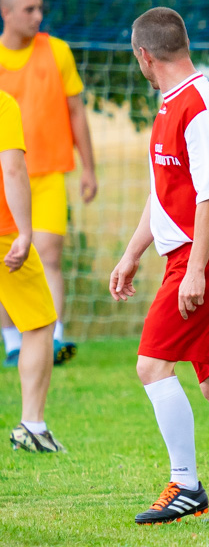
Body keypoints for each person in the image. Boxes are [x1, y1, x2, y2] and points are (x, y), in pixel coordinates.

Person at [110, 7, 209, 525]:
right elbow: (166, 193)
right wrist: (134, 252)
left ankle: (186, 485)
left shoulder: (198, 106)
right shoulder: (172, 103)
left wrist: (197, 269)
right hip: (195, 255)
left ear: (144, 55)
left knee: (152, 365)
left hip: (207, 258)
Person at [0, 0, 97, 367]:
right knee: (10, 259)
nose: (38, 16)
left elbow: (76, 111)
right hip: (7, 177)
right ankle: (12, 343)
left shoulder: (57, 51)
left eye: (40, 8)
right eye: (29, 10)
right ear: (6, 13)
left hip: (49, 174)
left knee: (49, 256)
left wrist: (89, 167)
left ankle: (54, 339)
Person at [0, 89, 65, 453]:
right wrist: (25, 232)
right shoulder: (3, 104)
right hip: (3, 233)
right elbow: (11, 167)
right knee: (40, 322)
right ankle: (32, 427)